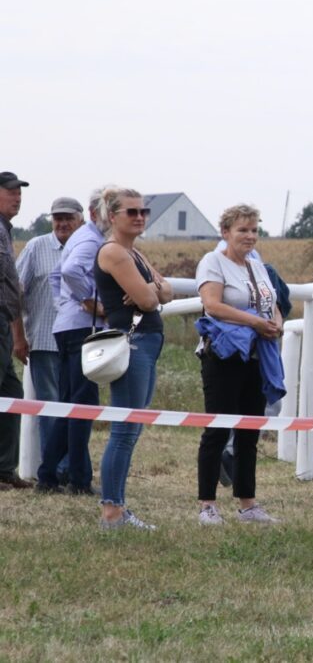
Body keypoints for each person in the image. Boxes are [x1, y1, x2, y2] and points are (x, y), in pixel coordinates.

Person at [194, 204, 284, 525]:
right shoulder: (212, 262)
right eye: (243, 230)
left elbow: (271, 303)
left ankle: (248, 504)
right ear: (226, 232)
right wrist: (256, 323)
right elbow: (213, 305)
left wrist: (275, 322)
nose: (250, 236)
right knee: (218, 429)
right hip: (223, 355)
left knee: (249, 431)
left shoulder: (256, 265)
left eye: (254, 230)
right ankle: (207, 505)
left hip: (256, 356)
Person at [94, 186, 172, 529]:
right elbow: (150, 301)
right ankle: (112, 511)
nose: (140, 217)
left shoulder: (133, 253)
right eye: (132, 212)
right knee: (124, 431)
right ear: (113, 217)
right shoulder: (115, 253)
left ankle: (118, 508)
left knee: (132, 429)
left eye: (143, 212)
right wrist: (150, 291)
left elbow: (165, 291)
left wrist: (150, 289)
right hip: (133, 343)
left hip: (147, 343)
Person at [37, 191, 109, 495]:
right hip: (82, 330)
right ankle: (78, 479)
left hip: (67, 326)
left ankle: (48, 475)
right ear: (95, 214)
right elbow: (66, 272)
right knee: (82, 407)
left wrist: (65, 302)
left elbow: (57, 275)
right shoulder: (91, 241)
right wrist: (89, 301)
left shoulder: (79, 239)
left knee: (70, 405)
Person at [17, 197, 84, 486]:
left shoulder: (88, 249)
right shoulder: (36, 247)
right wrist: (18, 336)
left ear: (80, 219)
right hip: (44, 340)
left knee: (77, 408)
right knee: (52, 409)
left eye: (68, 217)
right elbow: (15, 291)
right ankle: (56, 471)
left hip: (80, 342)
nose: (62, 223)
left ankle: (69, 470)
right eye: (57, 218)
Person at [0, 171, 32, 491]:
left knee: (10, 393)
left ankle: (5, 468)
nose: (17, 197)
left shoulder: (5, 231)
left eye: (19, 192)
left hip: (4, 323)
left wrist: (16, 332)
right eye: (10, 191)